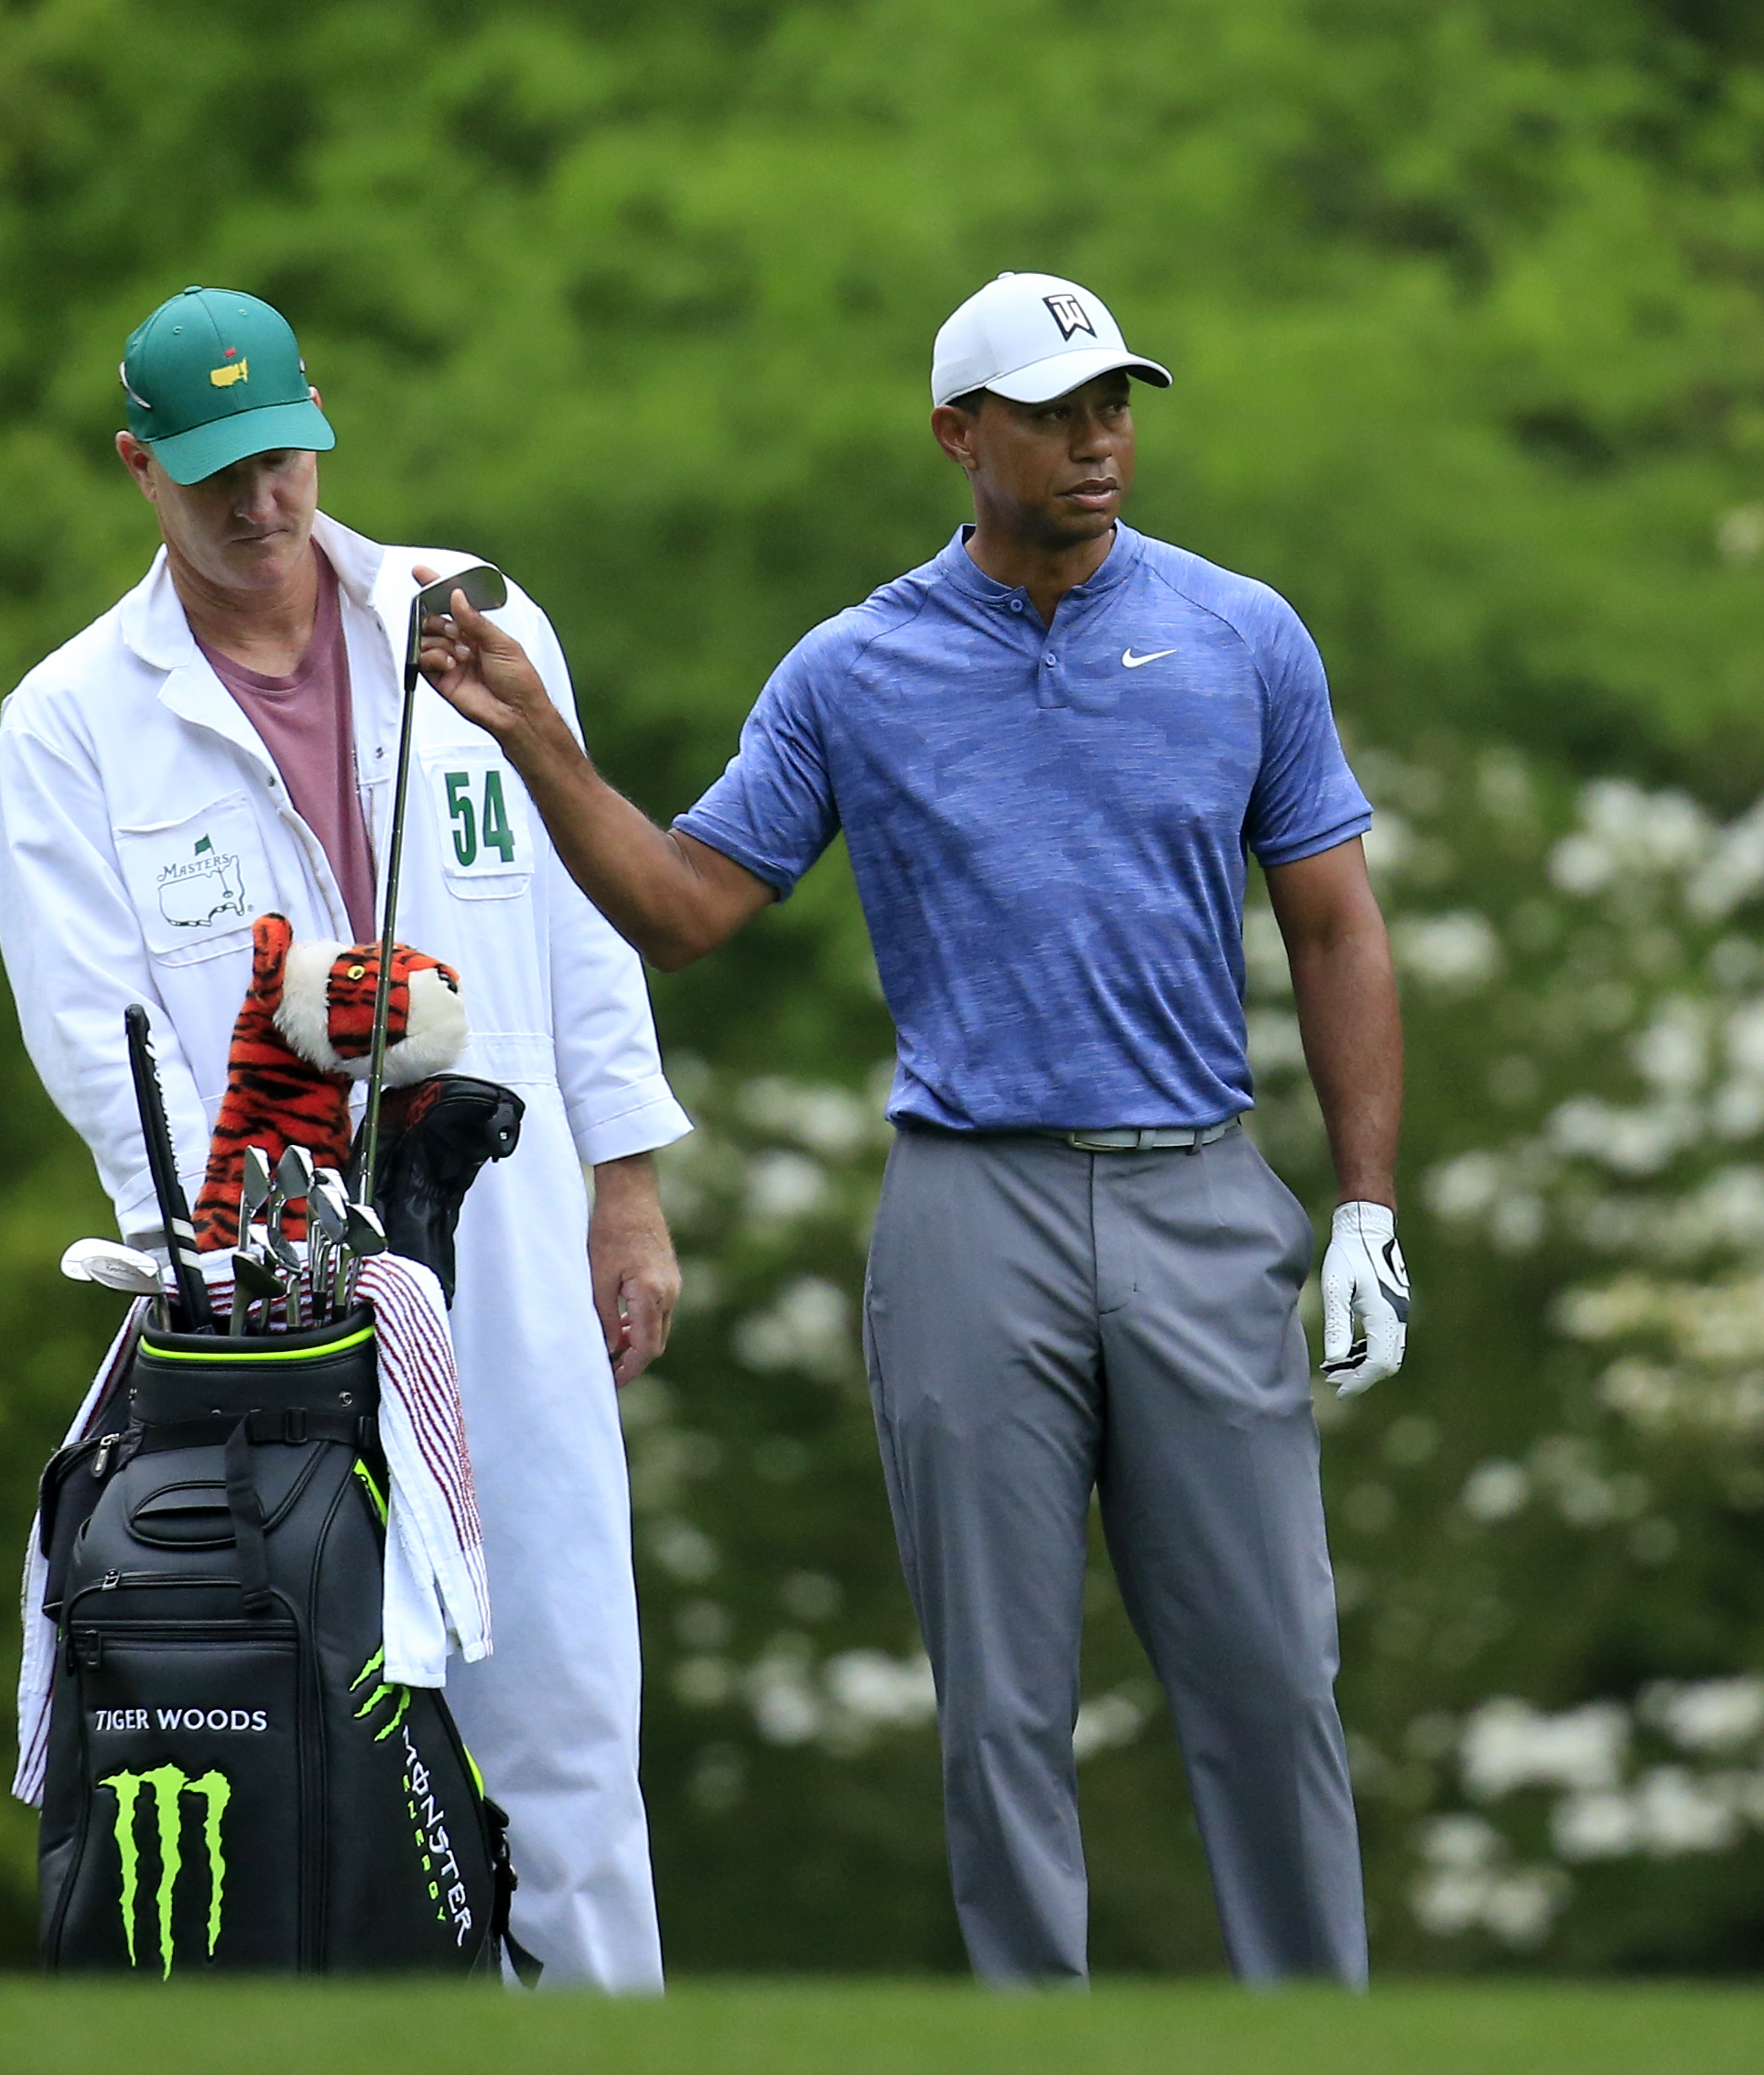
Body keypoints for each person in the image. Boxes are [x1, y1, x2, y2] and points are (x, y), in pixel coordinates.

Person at [412, 272, 1410, 1985]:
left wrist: (1368, 1210)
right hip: (970, 1211)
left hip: (1196, 1189)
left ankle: (1309, 2028)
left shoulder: (1243, 634)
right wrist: (542, 746)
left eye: (1115, 403)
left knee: (1266, 1672)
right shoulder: (853, 670)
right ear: (960, 436)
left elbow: (1334, 924)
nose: (1099, 439)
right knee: (1001, 1701)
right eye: (1053, 410)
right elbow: (686, 908)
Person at [0, 286, 690, 1991]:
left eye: (282, 459)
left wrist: (628, 1187)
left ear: (321, 429)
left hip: (505, 1240)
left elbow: (593, 919)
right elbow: (97, 1046)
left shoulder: (470, 620)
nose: (260, 505)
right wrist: (221, 1251)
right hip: (258, 1286)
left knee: (565, 1708)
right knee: (295, 1706)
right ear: (139, 468)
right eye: (215, 472)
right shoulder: (70, 719)